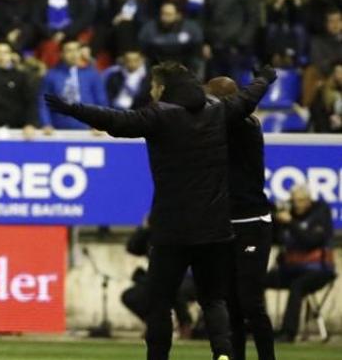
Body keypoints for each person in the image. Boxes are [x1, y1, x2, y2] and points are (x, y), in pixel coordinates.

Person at [44, 62, 276, 360]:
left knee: (160, 302)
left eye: (153, 87)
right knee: (215, 300)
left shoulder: (160, 116)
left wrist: (73, 109)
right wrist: (265, 78)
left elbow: (117, 121)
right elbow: (247, 99)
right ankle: (223, 355)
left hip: (173, 229)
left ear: (164, 88)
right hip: (215, 228)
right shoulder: (217, 113)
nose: (151, 93)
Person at [205, 77, 276, 360]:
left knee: (250, 302)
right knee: (231, 303)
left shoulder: (245, 126)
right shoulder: (219, 126)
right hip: (225, 222)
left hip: (252, 221)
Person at [268, 184, 337, 343]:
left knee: (297, 285)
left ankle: (288, 333)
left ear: (308, 200)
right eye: (294, 201)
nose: (297, 205)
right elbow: (276, 239)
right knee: (256, 280)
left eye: (300, 201)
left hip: (319, 270)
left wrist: (291, 222)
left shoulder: (320, 213)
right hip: (291, 269)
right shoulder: (288, 215)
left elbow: (311, 240)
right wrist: (276, 222)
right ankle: (252, 326)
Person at [121, 217, 197, 339]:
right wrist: (145, 228)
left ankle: (185, 324)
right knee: (131, 296)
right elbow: (132, 247)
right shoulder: (151, 236)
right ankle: (154, 323)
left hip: (186, 277)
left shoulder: (181, 232)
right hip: (157, 279)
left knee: (174, 289)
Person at [39, 39, 107, 132]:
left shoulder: (92, 74)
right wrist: (46, 124)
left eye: (76, 50)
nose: (73, 54)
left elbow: (101, 101)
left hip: (88, 130)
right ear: (61, 54)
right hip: (58, 131)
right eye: (69, 51)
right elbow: (44, 103)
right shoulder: (51, 75)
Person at [203, 0, 260, 80]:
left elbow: (253, 18)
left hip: (236, 50)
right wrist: (206, 42)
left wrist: (242, 42)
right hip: (215, 48)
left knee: (236, 87)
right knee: (215, 88)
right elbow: (206, 18)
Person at [138, 2, 203, 73]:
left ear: (178, 15)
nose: (165, 17)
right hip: (157, 65)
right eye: (163, 14)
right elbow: (143, 49)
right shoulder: (149, 28)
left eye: (169, 14)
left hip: (185, 65)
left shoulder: (191, 28)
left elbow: (197, 49)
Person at [309, 61, 342, 133]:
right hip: (326, 132)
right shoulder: (322, 92)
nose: (340, 75)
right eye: (338, 72)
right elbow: (317, 114)